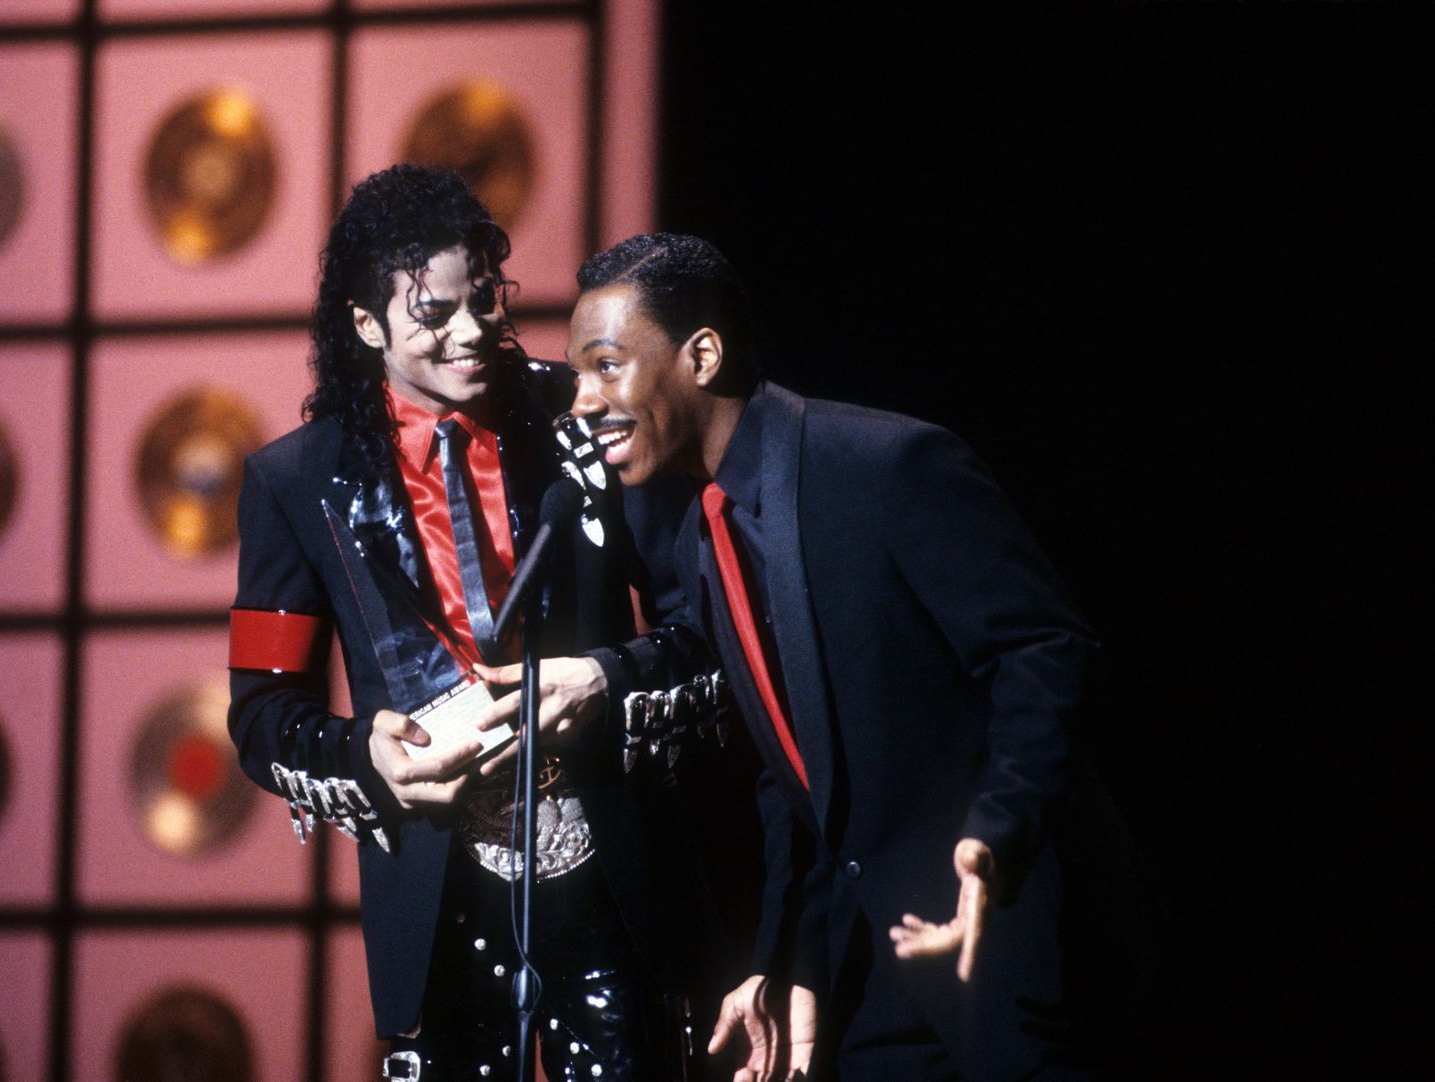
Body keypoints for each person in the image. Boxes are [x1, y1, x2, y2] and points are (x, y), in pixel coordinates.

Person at [564, 233, 1102, 1080]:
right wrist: (783, 959)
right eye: (576, 376)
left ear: (701, 355)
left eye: (605, 366)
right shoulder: (698, 539)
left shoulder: (885, 466)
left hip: (1003, 945)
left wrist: (997, 833)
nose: (583, 401)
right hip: (878, 974)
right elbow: (791, 773)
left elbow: (1044, 647)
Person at [227, 168, 723, 1081]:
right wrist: (363, 756)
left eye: (483, 301)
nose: (468, 334)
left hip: (615, 866)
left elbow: (708, 626)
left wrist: (606, 680)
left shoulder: (582, 412)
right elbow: (259, 714)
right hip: (434, 889)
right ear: (366, 323)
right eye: (431, 314)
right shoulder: (295, 482)